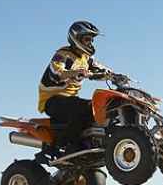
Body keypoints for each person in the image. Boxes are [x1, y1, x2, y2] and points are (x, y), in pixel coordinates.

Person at [37, 20, 114, 157]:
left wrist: (114, 75)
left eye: (91, 40)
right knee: (84, 108)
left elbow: (101, 68)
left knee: (99, 107)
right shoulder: (64, 54)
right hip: (52, 100)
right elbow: (56, 72)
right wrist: (74, 72)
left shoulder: (86, 58)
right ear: (76, 38)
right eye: (87, 39)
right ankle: (65, 145)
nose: (90, 43)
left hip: (69, 100)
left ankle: (91, 140)